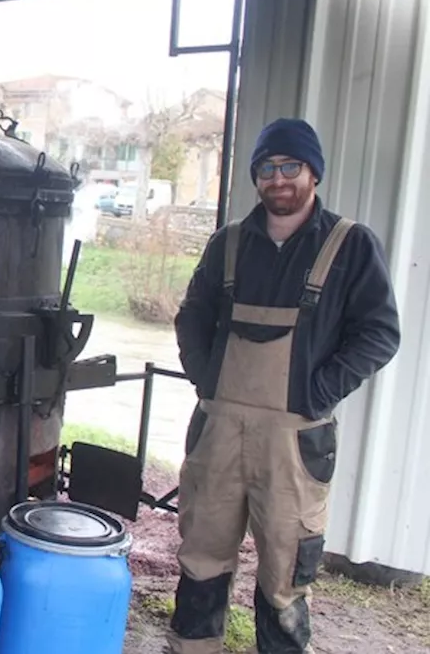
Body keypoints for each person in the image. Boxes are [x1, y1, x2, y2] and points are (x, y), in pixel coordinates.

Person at [167, 118, 401, 653]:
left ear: (312, 173)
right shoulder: (228, 244)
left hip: (296, 443)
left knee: (285, 576)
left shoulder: (351, 246)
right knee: (202, 559)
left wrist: (318, 392)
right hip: (218, 432)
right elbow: (192, 316)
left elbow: (380, 333)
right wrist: (207, 374)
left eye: (290, 167)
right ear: (257, 177)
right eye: (267, 168)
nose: (278, 180)